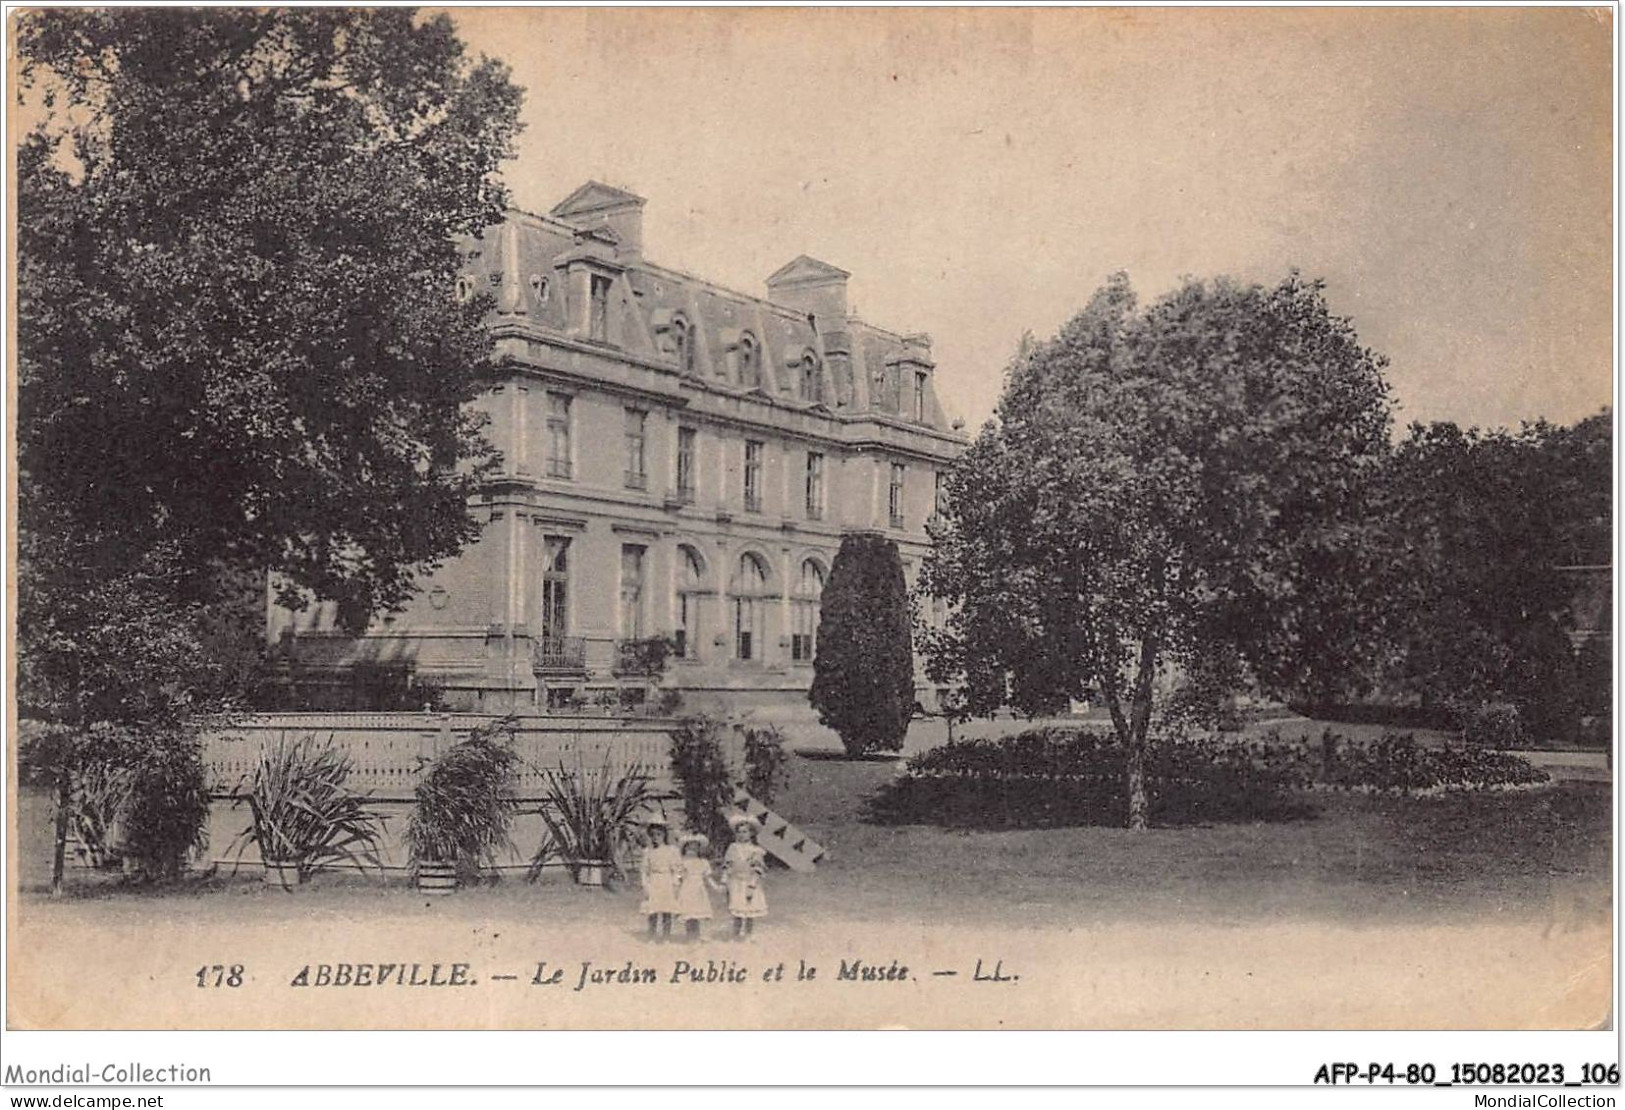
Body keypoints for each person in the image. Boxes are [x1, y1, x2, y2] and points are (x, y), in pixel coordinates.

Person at [722, 815, 769, 939]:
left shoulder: (756, 850)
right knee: (737, 910)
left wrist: (752, 885)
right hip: (736, 882)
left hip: (749, 882)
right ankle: (736, 935)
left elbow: (757, 870)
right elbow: (728, 865)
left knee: (749, 910)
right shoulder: (733, 848)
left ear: (751, 833)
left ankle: (748, 935)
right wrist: (725, 881)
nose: (742, 835)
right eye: (739, 832)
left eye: (745, 832)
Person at [638, 817, 680, 940]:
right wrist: (645, 885)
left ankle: (666, 936)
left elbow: (676, 869)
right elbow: (644, 870)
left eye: (659, 834)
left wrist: (675, 884)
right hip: (654, 881)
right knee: (653, 910)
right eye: (653, 835)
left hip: (666, 881)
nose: (656, 837)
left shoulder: (671, 850)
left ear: (664, 835)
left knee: (666, 910)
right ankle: (651, 935)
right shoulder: (648, 852)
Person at [674, 833, 719, 941]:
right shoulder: (683, 862)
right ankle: (690, 936)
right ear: (685, 849)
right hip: (687, 889)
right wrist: (675, 889)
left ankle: (697, 935)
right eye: (689, 847)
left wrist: (716, 887)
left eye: (695, 847)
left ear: (699, 849)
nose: (692, 850)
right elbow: (678, 877)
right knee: (689, 914)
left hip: (699, 890)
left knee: (696, 914)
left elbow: (707, 877)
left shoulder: (703, 862)